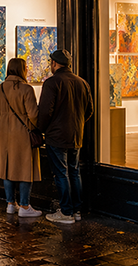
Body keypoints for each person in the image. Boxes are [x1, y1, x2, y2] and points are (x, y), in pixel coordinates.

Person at [39, 49, 93, 225]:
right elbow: (89, 110)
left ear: (54, 63)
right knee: (75, 172)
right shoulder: (82, 82)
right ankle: (77, 210)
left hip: (56, 136)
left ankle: (66, 212)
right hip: (76, 134)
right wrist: (77, 123)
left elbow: (45, 111)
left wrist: (40, 129)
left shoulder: (52, 83)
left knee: (61, 174)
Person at [0, 58, 42, 217]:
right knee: (25, 168)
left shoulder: (0, 88)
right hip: (22, 132)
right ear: (22, 69)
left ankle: (10, 204)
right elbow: (33, 114)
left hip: (4, 132)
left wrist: (6, 122)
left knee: (7, 168)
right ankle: (25, 206)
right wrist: (34, 127)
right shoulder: (26, 89)